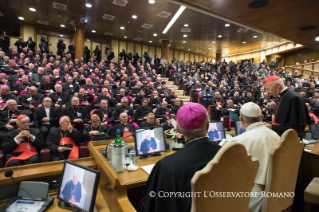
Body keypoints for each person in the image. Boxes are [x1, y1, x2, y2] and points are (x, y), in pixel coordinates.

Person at [138, 103, 220, 212]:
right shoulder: (227, 153)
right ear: (208, 126)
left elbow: (151, 205)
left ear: (178, 129)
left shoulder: (166, 166)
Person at [228, 102, 279, 212]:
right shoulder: (275, 135)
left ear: (241, 120)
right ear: (261, 118)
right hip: (278, 192)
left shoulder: (238, 141)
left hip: (252, 198)